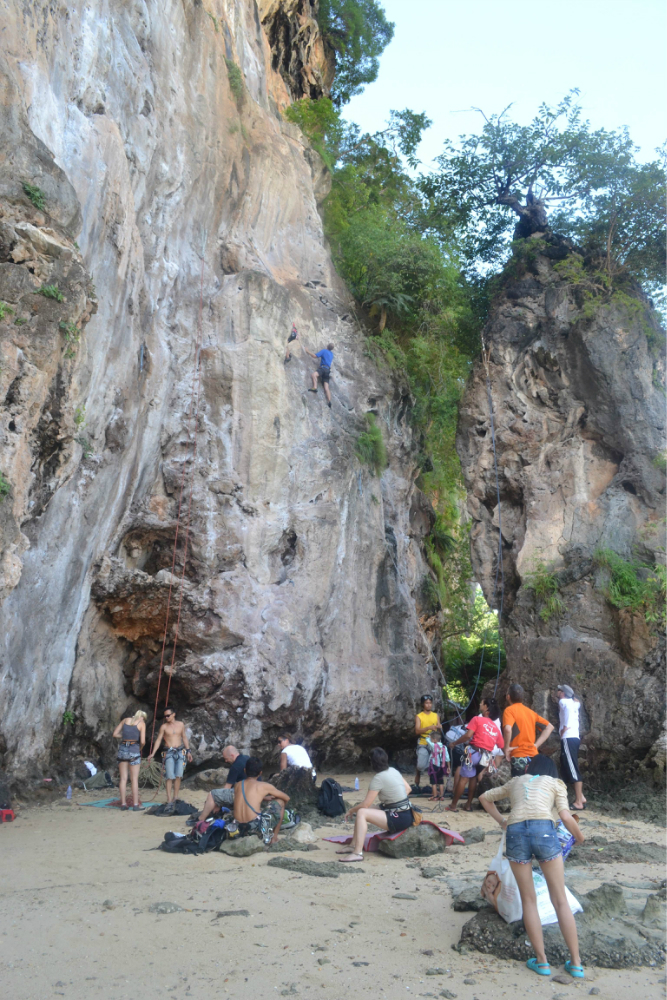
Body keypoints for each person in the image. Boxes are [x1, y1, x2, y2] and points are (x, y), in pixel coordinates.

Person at [479, 754, 586, 980]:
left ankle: (542, 961)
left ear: (530, 767)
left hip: (516, 833)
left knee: (529, 900)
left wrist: (502, 822)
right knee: (560, 900)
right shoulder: (556, 783)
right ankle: (576, 963)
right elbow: (565, 816)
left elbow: (484, 798)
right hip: (545, 831)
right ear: (552, 771)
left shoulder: (516, 780)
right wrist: (579, 837)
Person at [338, 747, 415, 863]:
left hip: (399, 818)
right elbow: (408, 789)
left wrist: (351, 810)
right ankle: (353, 845)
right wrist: (391, 802)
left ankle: (357, 853)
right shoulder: (393, 770)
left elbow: (365, 804)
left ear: (371, 762)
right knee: (367, 810)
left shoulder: (378, 778)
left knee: (361, 812)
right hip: (407, 814)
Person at [446, 698, 504, 812]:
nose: (480, 704)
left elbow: (468, 736)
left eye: (482, 703)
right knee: (473, 779)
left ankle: (453, 806)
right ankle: (468, 805)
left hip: (473, 753)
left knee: (464, 779)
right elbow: (501, 744)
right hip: (485, 758)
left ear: (487, 708)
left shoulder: (477, 719)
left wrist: (454, 743)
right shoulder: (495, 727)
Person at [233, 757, 290, 844]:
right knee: (280, 801)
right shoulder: (264, 786)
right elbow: (286, 798)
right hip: (254, 829)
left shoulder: (237, 785)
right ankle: (274, 838)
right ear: (260, 773)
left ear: (245, 770)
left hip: (238, 827)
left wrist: (264, 797)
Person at [147, 707, 193, 813]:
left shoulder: (181, 724)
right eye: (165, 716)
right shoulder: (164, 727)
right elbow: (158, 740)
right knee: (169, 776)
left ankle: (175, 797)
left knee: (178, 775)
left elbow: (184, 737)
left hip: (180, 751)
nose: (166, 717)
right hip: (169, 753)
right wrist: (153, 753)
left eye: (168, 715)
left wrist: (188, 751)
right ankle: (169, 799)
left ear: (173, 714)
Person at [503, 683, 554, 777]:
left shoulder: (509, 710)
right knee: (531, 786)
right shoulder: (530, 713)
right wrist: (536, 745)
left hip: (518, 755)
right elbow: (549, 727)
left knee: (519, 787)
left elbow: (507, 729)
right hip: (533, 757)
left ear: (508, 697)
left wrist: (506, 748)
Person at [198, 745, 250, 823]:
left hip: (243, 795)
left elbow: (226, 789)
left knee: (213, 794)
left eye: (226, 759)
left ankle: (201, 819)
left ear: (232, 755)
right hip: (253, 792)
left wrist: (218, 804)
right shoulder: (247, 758)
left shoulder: (235, 766)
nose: (226, 761)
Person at [557, 684, 586, 810]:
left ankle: (579, 802)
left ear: (563, 693)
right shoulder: (575, 704)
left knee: (573, 767)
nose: (557, 692)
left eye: (559, 690)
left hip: (568, 737)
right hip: (574, 737)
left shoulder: (564, 702)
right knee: (566, 764)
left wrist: (564, 729)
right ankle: (582, 797)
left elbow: (567, 712)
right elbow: (577, 702)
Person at [112, 710, 147, 811]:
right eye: (143, 718)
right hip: (134, 749)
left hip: (123, 749)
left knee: (123, 779)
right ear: (141, 717)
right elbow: (143, 741)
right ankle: (135, 805)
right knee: (134, 779)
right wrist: (140, 748)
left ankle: (123, 804)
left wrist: (125, 737)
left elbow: (115, 734)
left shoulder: (125, 720)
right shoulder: (141, 724)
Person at [415, 695, 442, 787]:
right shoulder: (419, 716)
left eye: (430, 703)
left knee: (437, 764)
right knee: (420, 766)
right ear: (423, 704)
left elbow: (439, 730)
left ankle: (437, 784)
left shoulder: (435, 715)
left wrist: (439, 728)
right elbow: (417, 731)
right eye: (426, 703)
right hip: (423, 742)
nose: (429, 705)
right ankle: (418, 773)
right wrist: (428, 728)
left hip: (434, 743)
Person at [305, 342, 334, 407]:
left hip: (323, 368)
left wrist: (307, 351)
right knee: (326, 387)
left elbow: (315, 356)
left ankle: (315, 387)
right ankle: (329, 401)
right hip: (328, 370)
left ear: (327, 346)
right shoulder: (332, 354)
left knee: (314, 375)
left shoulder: (324, 351)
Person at [427, 737, 449, 802]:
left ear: (435, 740)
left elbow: (427, 740)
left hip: (434, 766)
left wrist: (429, 737)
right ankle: (441, 796)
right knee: (440, 781)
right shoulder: (444, 747)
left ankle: (435, 796)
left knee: (433, 782)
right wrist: (449, 767)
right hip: (442, 766)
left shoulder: (434, 745)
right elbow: (447, 758)